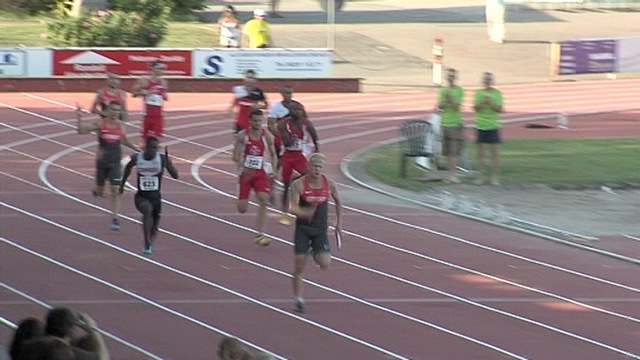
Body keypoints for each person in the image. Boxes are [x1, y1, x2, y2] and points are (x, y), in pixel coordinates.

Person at [288, 153, 342, 313]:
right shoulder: (298, 185)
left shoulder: (329, 184)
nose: (317, 169)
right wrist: (304, 213)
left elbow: (339, 202)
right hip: (303, 230)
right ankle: (298, 299)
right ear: (309, 167)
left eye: (320, 167)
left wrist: (339, 223)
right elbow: (292, 207)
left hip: (320, 230)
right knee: (299, 264)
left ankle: (314, 251)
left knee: (325, 264)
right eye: (314, 166)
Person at [76, 100, 139, 231]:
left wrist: (136, 148)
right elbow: (81, 131)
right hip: (102, 163)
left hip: (115, 162)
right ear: (108, 111)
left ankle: (115, 219)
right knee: (100, 190)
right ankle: (97, 189)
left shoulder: (121, 126)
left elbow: (124, 140)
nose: (115, 113)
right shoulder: (101, 123)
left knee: (115, 190)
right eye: (113, 109)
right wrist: (79, 117)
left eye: (117, 110)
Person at [120, 136, 179, 255]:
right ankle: (147, 241)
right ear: (145, 147)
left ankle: (150, 237)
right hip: (141, 196)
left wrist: (169, 165)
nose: (153, 150)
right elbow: (128, 167)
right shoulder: (138, 158)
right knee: (147, 211)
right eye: (151, 147)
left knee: (155, 224)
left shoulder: (162, 159)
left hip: (156, 197)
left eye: (155, 148)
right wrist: (122, 184)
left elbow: (175, 176)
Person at [232, 109, 278, 246]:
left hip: (260, 173)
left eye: (259, 121)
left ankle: (260, 234)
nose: (257, 123)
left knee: (263, 200)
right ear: (250, 121)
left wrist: (274, 170)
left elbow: (274, 154)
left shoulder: (266, 136)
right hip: (245, 174)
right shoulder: (242, 136)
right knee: (242, 209)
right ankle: (240, 198)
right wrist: (242, 165)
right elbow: (235, 155)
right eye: (255, 120)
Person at [276, 101, 319, 226]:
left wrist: (317, 148)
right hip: (287, 156)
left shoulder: (306, 124)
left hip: (299, 156)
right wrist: (290, 136)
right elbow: (287, 142)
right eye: (295, 110)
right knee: (285, 185)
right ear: (291, 112)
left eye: (300, 110)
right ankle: (285, 212)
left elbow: (314, 135)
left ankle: (305, 203)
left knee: (309, 177)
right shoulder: (284, 124)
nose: (298, 112)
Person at [44, 307, 110, 360]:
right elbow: (103, 357)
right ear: (71, 330)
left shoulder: (36, 343)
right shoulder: (69, 353)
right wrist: (93, 330)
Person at [473, 72, 503, 186]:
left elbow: (499, 109)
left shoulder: (497, 94)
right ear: (483, 81)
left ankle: (495, 178)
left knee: (495, 154)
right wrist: (482, 102)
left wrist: (491, 103)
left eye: (489, 80)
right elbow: (475, 108)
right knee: (480, 153)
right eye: (485, 79)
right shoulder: (478, 93)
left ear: (492, 81)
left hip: (493, 125)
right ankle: (480, 176)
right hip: (481, 125)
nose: (487, 81)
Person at [437, 68, 465, 183]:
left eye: (453, 76)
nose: (451, 78)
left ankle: (454, 175)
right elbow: (440, 106)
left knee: (454, 152)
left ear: (456, 78)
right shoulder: (443, 91)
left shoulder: (459, 90)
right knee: (447, 152)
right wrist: (445, 101)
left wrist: (450, 99)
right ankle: (449, 175)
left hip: (455, 123)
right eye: (449, 76)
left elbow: (456, 107)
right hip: (445, 123)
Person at [131, 61, 168, 141]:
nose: (162, 71)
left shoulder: (163, 82)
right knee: (144, 138)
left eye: (163, 69)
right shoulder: (144, 80)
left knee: (157, 138)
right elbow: (133, 93)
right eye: (160, 68)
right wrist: (147, 92)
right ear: (153, 69)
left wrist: (164, 96)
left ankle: (155, 153)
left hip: (158, 114)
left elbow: (165, 96)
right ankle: (143, 153)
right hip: (147, 113)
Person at [228, 69, 268, 134]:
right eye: (248, 77)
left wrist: (258, 107)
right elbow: (236, 102)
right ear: (244, 79)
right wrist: (231, 109)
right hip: (240, 122)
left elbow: (266, 106)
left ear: (255, 80)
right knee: (238, 140)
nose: (249, 80)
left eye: (252, 78)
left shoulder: (258, 92)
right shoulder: (239, 90)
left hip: (252, 122)